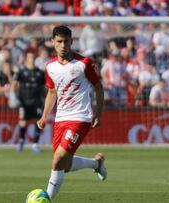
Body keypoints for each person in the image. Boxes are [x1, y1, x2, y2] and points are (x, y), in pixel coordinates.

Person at [36, 25, 107, 201]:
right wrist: (45, 115)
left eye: (66, 41)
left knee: (58, 159)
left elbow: (98, 86)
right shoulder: (50, 67)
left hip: (80, 117)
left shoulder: (84, 63)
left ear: (71, 42)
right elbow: (52, 92)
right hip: (61, 119)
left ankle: (47, 199)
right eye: (59, 42)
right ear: (53, 42)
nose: (63, 45)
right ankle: (96, 163)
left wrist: (98, 111)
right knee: (63, 166)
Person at [11, 51, 46, 153]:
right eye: (30, 57)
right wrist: (13, 97)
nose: (32, 59)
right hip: (24, 101)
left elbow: (43, 88)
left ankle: (35, 144)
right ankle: (21, 141)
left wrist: (45, 99)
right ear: (26, 59)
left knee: (38, 122)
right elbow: (14, 85)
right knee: (23, 122)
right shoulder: (21, 72)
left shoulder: (40, 73)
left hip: (37, 101)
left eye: (33, 57)